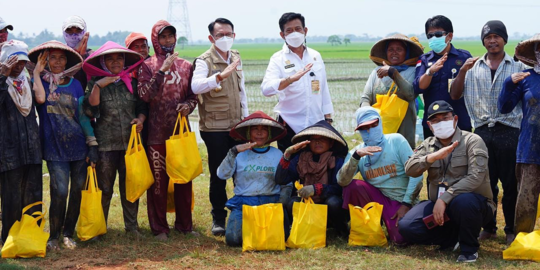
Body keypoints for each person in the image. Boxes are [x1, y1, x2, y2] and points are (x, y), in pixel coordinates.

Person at [449, 21, 526, 244]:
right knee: (484, 182)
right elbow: (455, 95)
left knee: (511, 183)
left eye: (496, 36)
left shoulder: (518, 66)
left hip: (510, 130)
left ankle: (510, 228)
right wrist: (462, 71)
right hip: (481, 131)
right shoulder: (471, 66)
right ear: (483, 41)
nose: (492, 40)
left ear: (505, 39)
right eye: (488, 37)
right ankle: (489, 227)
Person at [398, 100, 494, 263]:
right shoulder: (428, 145)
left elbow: (476, 177)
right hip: (440, 208)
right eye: (435, 120)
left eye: (445, 118)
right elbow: (409, 169)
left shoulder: (472, 140)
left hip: (474, 206)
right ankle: (452, 238)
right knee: (407, 226)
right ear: (429, 125)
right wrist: (431, 157)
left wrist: (445, 198)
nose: (441, 123)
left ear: (455, 119)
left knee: (464, 202)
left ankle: (469, 250)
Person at [28, 41, 91, 250]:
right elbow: (39, 99)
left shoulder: (75, 84)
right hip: (54, 148)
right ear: (44, 60)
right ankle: (53, 236)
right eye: (52, 58)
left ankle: (67, 234)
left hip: (78, 146)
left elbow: (82, 117)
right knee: (60, 191)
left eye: (61, 58)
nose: (57, 62)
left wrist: (92, 144)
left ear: (67, 61)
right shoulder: (39, 82)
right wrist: (37, 73)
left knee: (76, 192)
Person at [138, 20, 198, 241]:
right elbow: (144, 95)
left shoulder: (185, 66)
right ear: (155, 39)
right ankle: (159, 228)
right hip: (155, 133)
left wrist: (188, 106)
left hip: (179, 133)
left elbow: (193, 96)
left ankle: (184, 225)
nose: (167, 41)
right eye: (162, 37)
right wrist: (161, 71)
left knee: (183, 179)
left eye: (170, 37)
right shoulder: (147, 65)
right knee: (158, 183)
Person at [82, 41, 147, 237]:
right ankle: (100, 228)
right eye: (110, 59)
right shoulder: (95, 84)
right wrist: (99, 86)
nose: (115, 62)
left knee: (129, 187)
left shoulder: (132, 84)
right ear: (103, 63)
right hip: (105, 145)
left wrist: (140, 119)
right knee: (105, 188)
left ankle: (132, 227)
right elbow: (89, 110)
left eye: (119, 58)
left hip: (129, 144)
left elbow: (142, 107)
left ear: (125, 61)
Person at [191, 18, 247, 236]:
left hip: (237, 124)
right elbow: (196, 86)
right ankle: (218, 218)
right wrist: (219, 76)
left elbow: (242, 91)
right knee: (219, 174)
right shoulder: (204, 60)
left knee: (240, 172)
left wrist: (247, 119)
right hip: (214, 128)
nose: (225, 38)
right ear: (211, 38)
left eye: (229, 34)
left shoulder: (236, 56)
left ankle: (240, 213)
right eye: (220, 35)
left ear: (234, 35)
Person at [337, 107, 423, 244]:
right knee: (352, 186)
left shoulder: (396, 141)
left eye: (374, 124)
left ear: (380, 123)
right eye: (365, 127)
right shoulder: (358, 151)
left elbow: (417, 175)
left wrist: (406, 204)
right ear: (358, 130)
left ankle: (398, 221)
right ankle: (368, 226)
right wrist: (356, 158)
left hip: (400, 199)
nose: (370, 130)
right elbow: (342, 181)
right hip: (377, 199)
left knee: (401, 239)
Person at [261, 12, 334, 152]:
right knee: (291, 168)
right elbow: (266, 89)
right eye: (289, 30)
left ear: (305, 31)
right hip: (289, 125)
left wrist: (328, 119)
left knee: (315, 168)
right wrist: (289, 80)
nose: (294, 33)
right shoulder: (278, 59)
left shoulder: (315, 56)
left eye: (298, 29)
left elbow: (323, 89)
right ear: (282, 35)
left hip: (316, 124)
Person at [216, 111, 287, 246]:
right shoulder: (238, 153)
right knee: (233, 240)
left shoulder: (277, 154)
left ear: (269, 134)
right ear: (248, 133)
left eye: (264, 130)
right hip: (244, 202)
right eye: (255, 129)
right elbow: (221, 174)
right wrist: (233, 152)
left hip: (270, 202)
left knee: (281, 237)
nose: (259, 133)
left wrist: (281, 203)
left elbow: (286, 181)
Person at [275, 120, 349, 237]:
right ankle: (302, 226)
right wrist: (287, 155)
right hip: (308, 203)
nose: (318, 142)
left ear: (331, 143)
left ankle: (339, 228)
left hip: (328, 205)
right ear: (308, 142)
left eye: (322, 139)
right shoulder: (301, 158)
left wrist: (317, 189)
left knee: (333, 202)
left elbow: (339, 188)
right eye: (314, 139)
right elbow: (281, 179)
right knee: (292, 203)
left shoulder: (337, 160)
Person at [0, 40, 42, 243]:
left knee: (33, 196)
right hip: (9, 153)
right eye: (13, 62)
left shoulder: (28, 82)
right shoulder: (2, 83)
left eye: (22, 62)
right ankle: (10, 240)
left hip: (32, 149)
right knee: (12, 199)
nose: (18, 66)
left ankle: (32, 238)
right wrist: (2, 76)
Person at [499, 33, 540, 235]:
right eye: (539, 48)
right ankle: (522, 239)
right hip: (530, 147)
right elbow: (504, 107)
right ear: (535, 53)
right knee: (526, 198)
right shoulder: (525, 78)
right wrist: (508, 83)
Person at [413, 15, 472, 138]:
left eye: (438, 34)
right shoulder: (424, 60)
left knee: (460, 155)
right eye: (430, 36)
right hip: (433, 123)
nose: (434, 38)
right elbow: (418, 88)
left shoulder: (464, 57)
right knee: (433, 156)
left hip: (459, 121)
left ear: (449, 36)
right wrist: (430, 71)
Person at [362, 34, 424, 148]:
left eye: (399, 49)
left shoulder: (414, 71)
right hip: (378, 129)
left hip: (404, 131)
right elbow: (365, 98)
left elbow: (410, 94)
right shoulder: (376, 72)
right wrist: (368, 118)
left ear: (407, 52)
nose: (394, 52)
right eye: (391, 49)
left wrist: (393, 73)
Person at [63, 15, 92, 90]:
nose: (74, 35)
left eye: (78, 31)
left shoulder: (92, 55)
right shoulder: (60, 54)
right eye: (69, 31)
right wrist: (76, 53)